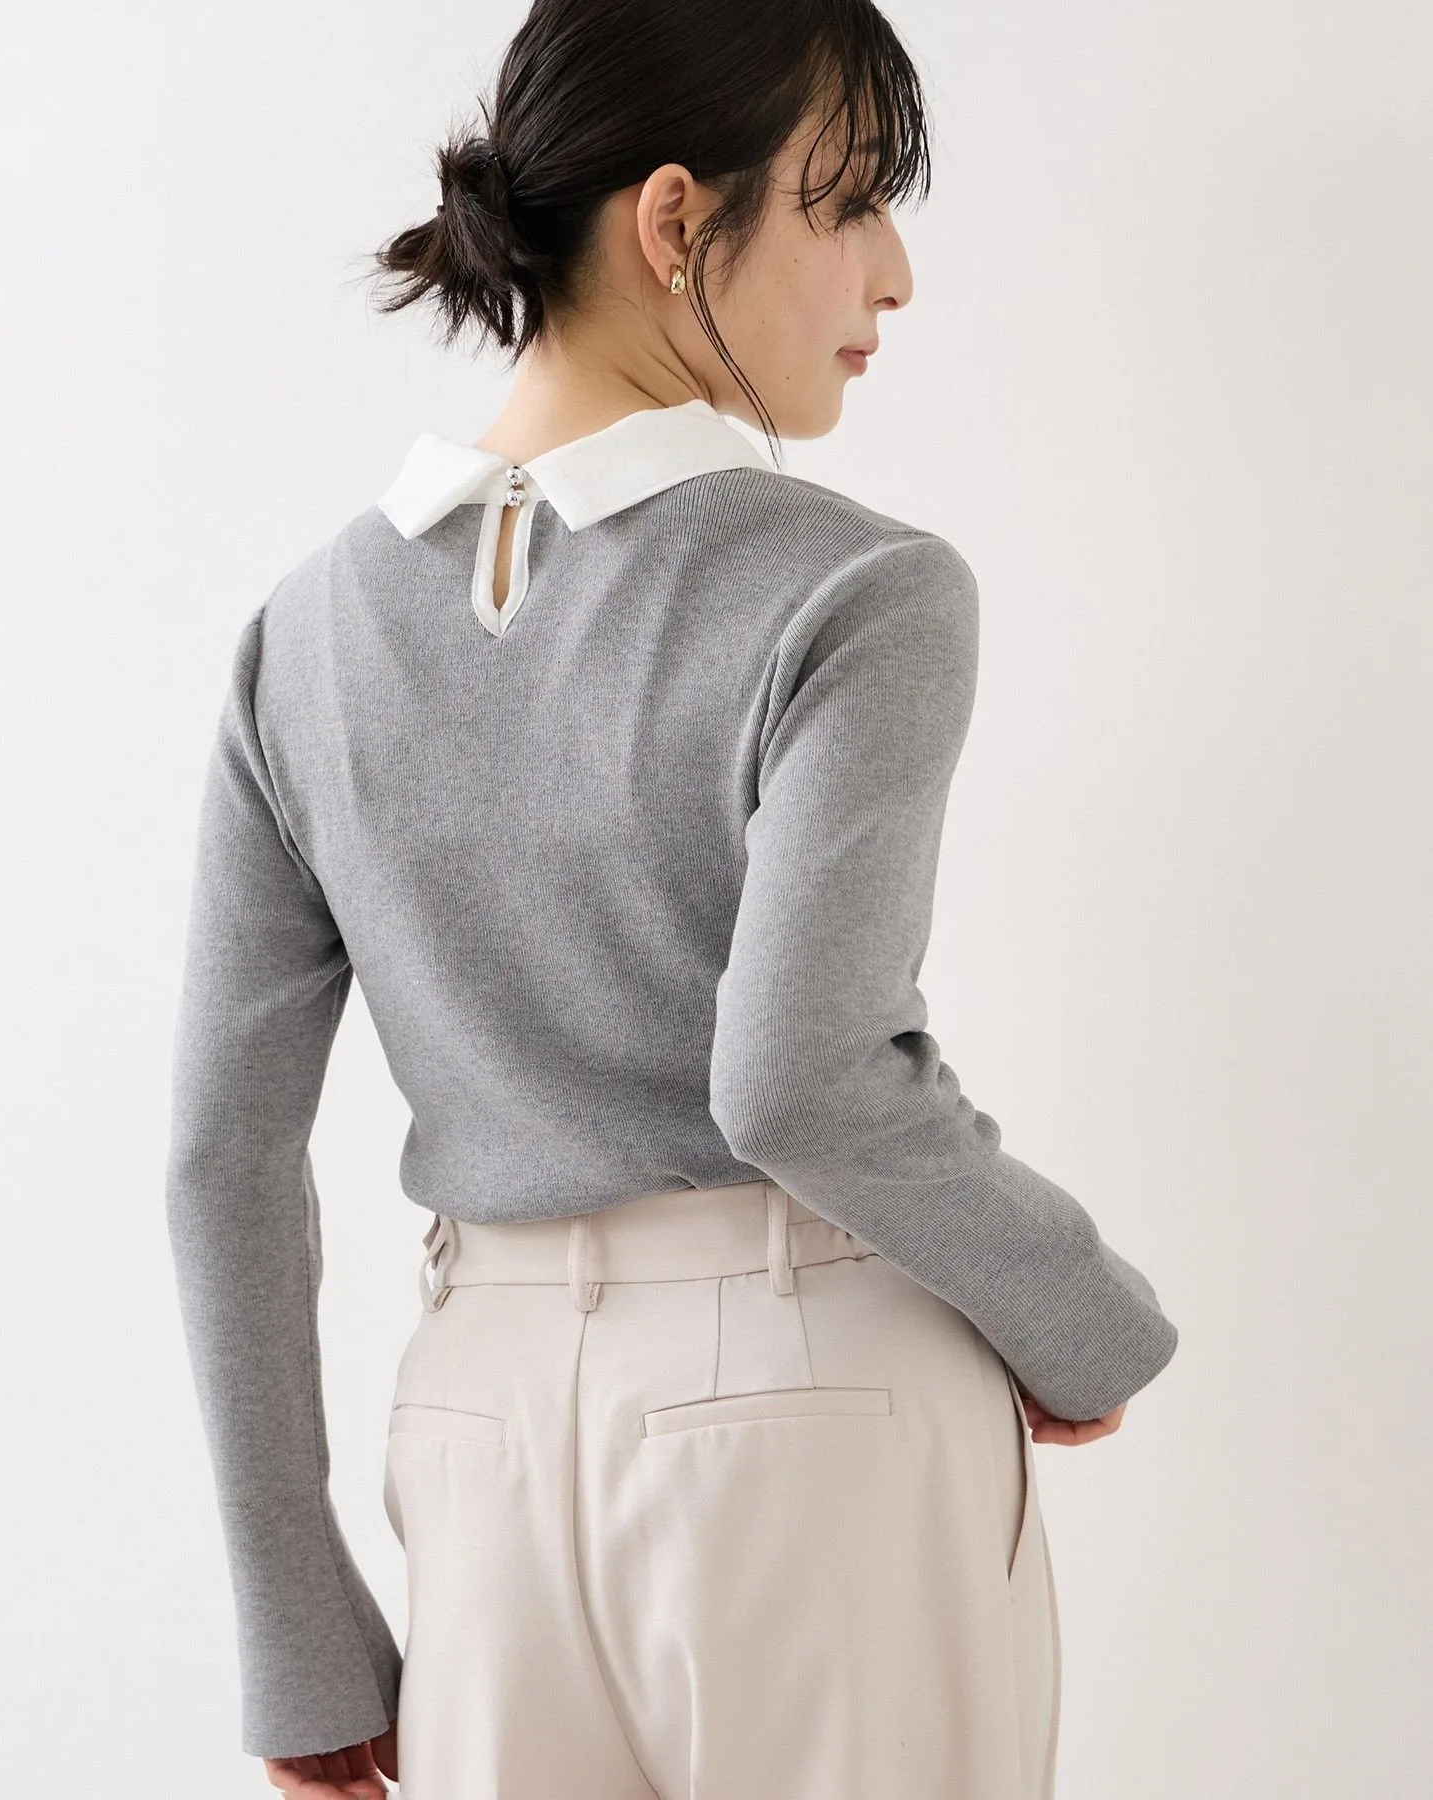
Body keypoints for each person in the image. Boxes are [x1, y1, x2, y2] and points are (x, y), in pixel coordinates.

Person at [164, 2, 1181, 1796]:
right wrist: (1081, 1317)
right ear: (672, 221)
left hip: (473, 1428)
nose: (896, 274)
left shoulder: (299, 639)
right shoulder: (854, 591)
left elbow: (220, 1161)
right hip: (814, 1420)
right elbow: (800, 1080)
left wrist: (294, 1629)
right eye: (848, 204)